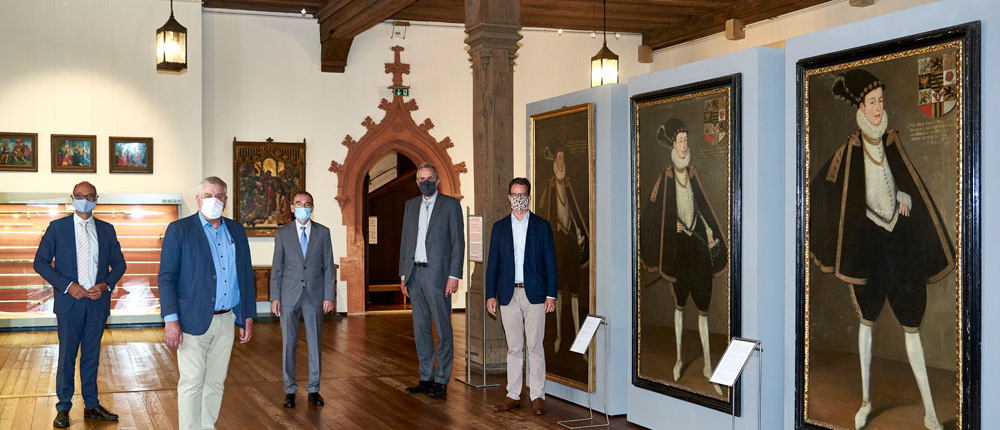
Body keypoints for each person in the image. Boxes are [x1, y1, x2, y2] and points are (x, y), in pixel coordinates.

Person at [809, 69, 955, 430]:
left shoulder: (891, 144)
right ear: (860, 106)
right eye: (872, 103)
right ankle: (866, 401)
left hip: (898, 245)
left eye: (881, 103)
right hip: (869, 250)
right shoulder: (849, 150)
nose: (878, 109)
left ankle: (930, 412)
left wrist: (904, 195)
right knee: (867, 324)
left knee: (911, 327)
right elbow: (821, 191)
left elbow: (904, 185)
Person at [158, 176, 257, 430]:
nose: (214, 200)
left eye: (220, 196)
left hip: (226, 320)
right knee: (192, 382)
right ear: (198, 199)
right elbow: (167, 277)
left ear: (226, 200)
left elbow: (245, 274)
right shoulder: (179, 230)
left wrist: (247, 314)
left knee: (215, 381)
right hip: (191, 320)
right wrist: (171, 320)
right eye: (208, 195)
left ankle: (206, 426)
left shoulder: (236, 230)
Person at [645, 118, 728, 395]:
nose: (684, 145)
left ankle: (707, 365)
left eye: (686, 141)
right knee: (679, 306)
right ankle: (679, 359)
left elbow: (702, 207)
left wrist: (709, 231)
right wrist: (673, 226)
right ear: (673, 145)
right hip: (678, 250)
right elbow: (653, 218)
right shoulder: (664, 178)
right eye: (680, 141)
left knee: (702, 307)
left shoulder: (692, 174)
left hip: (698, 246)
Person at [33, 181, 126, 428]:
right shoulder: (57, 228)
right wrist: (68, 286)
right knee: (66, 357)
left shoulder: (107, 230)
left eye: (89, 196)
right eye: (79, 195)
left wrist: (105, 285)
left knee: (92, 357)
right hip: (69, 303)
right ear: (72, 198)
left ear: (97, 198)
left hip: (97, 304)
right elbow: (40, 262)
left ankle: (92, 405)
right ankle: (63, 408)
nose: (84, 199)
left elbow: (119, 264)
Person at [485, 178, 558, 416]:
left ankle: (538, 395)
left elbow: (551, 264)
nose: (519, 198)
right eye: (515, 194)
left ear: (528, 197)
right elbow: (492, 265)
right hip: (507, 294)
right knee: (514, 347)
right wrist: (490, 295)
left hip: (535, 294)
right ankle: (513, 395)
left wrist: (551, 294)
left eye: (523, 195)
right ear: (509, 197)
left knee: (535, 346)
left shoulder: (542, 226)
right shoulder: (499, 227)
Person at [398, 162, 464, 398]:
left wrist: (454, 275)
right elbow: (406, 240)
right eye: (421, 179)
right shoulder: (411, 205)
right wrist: (403, 275)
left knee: (443, 329)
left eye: (429, 178)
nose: (425, 182)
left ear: (437, 181)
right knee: (421, 329)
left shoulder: (450, 205)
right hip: (415, 276)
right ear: (417, 182)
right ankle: (426, 377)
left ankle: (442, 379)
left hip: (439, 276)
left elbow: (458, 243)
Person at [269, 190, 336, 408]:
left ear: (312, 208)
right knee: (289, 343)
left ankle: (314, 389)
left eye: (307, 204)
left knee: (315, 343)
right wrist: (274, 296)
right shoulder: (283, 233)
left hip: (314, 295)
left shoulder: (323, 233)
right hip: (288, 294)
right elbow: (277, 267)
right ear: (291, 207)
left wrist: (329, 295)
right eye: (299, 203)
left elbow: (329, 267)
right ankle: (289, 390)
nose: (303, 207)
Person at [536, 147, 588, 352]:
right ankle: (558, 335)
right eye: (558, 158)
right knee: (556, 291)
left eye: (563, 159)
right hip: (556, 243)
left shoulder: (569, 184)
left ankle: (577, 337)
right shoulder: (549, 185)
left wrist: (580, 232)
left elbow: (576, 211)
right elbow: (544, 211)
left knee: (574, 290)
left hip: (571, 240)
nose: (560, 162)